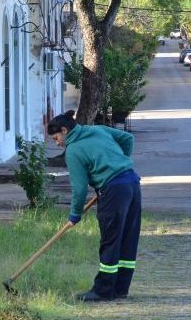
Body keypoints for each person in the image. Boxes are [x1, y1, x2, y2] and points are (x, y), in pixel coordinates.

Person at [47, 110, 142, 302]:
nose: (57, 143)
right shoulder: (97, 130)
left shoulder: (73, 151)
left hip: (114, 191)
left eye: (56, 138)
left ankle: (103, 291)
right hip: (132, 184)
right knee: (127, 239)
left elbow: (79, 189)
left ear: (64, 130)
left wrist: (74, 215)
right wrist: (119, 163)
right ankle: (120, 289)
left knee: (110, 240)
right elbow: (127, 139)